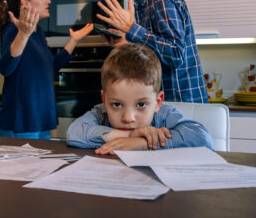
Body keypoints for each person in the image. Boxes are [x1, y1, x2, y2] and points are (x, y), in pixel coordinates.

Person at [96, 0, 207, 103]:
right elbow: (155, 54)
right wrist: (126, 42)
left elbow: (175, 54)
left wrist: (131, 29)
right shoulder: (142, 4)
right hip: (165, 104)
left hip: (183, 104)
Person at [0, 0, 93, 139]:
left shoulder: (38, 33)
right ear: (25, 3)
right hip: (21, 124)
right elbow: (5, 67)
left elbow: (49, 69)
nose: (48, 0)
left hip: (39, 122)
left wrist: (74, 40)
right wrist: (23, 34)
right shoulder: (13, 30)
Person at [66, 43, 213, 155]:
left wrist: (143, 143)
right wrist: (129, 135)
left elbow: (202, 138)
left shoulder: (164, 115)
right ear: (104, 100)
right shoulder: (101, 112)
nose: (128, 118)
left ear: (158, 102)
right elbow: (74, 133)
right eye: (117, 104)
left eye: (141, 104)